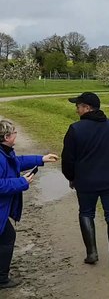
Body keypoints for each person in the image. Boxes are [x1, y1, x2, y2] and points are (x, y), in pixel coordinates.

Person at [61, 92, 109, 269]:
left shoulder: (75, 129)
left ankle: (91, 254)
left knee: (86, 213)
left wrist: (72, 178)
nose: (77, 110)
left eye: (78, 106)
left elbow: (68, 159)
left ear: (87, 108)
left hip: (85, 182)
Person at [0, 120, 58, 289]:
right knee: (7, 238)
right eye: (14, 132)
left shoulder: (5, 153)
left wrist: (41, 159)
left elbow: (17, 162)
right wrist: (21, 182)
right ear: (6, 137)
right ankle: (2, 278)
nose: (16, 134)